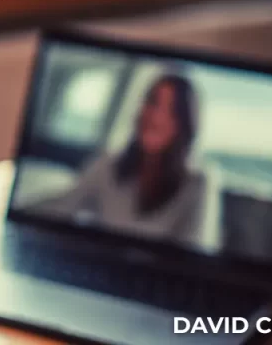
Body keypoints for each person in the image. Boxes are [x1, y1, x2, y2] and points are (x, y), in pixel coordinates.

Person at [33, 74, 217, 249]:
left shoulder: (198, 184)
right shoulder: (108, 164)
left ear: (185, 126)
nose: (156, 117)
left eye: (171, 111)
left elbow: (193, 257)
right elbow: (61, 207)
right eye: (153, 102)